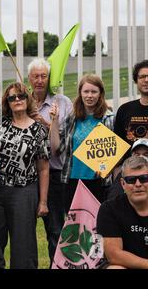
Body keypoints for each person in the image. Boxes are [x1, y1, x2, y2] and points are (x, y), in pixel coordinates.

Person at [0, 48, 72, 266]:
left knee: (24, 247)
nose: (17, 99)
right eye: (12, 97)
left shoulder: (38, 129)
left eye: (21, 96)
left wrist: (43, 201)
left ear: (27, 99)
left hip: (25, 192)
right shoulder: (0, 120)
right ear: (7, 102)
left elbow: (44, 168)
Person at [51, 74, 114, 212]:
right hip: (73, 181)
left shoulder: (109, 119)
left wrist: (106, 167)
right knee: (75, 227)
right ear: (80, 93)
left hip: (99, 182)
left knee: (99, 226)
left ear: (100, 94)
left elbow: (115, 153)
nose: (89, 95)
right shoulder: (72, 118)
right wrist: (54, 121)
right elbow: (57, 149)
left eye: (94, 91)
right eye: (86, 91)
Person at [97, 155, 148, 269]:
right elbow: (114, 255)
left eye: (144, 178)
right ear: (123, 183)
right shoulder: (109, 209)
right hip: (124, 265)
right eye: (131, 180)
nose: (138, 184)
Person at [114, 60, 148, 148]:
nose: (146, 80)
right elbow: (117, 145)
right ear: (136, 81)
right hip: (130, 161)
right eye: (142, 77)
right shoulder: (124, 110)